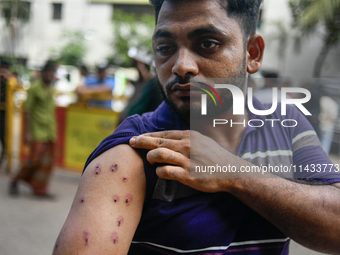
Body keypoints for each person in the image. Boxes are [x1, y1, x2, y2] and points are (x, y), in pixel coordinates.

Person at [54, 1, 340, 254]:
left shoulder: (285, 124)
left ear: (252, 53)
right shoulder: (134, 152)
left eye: (207, 44)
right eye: (165, 48)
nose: (181, 66)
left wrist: (234, 173)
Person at [9, 61, 57, 197]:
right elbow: (27, 110)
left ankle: (40, 189)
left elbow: (50, 111)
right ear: (42, 73)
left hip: (49, 130)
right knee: (34, 160)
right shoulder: (34, 88)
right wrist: (27, 132)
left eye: (51, 73)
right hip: (36, 130)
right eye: (47, 72)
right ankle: (15, 180)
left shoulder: (52, 89)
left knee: (47, 162)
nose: (49, 75)